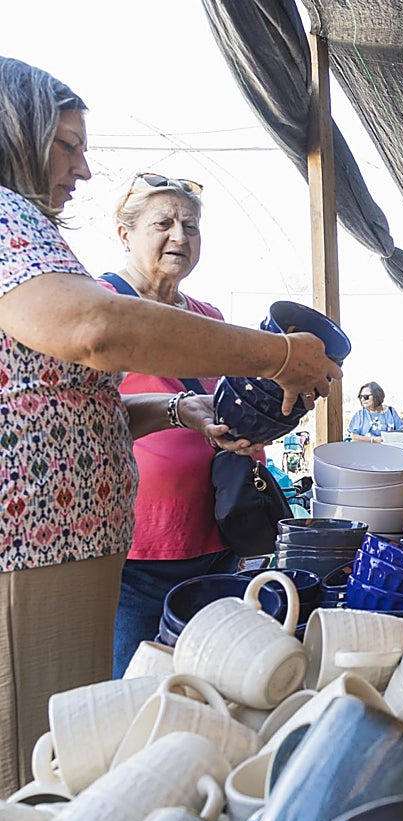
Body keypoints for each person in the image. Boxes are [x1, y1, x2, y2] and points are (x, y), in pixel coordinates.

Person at [0, 58, 339, 795]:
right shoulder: (13, 228)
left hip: (92, 543)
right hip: (39, 548)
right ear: (13, 134)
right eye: (65, 146)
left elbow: (65, 412)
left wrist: (189, 410)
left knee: (78, 748)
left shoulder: (34, 235)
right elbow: (94, 329)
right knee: (50, 760)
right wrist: (281, 354)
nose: (83, 169)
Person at [100, 172, 252, 678]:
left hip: (219, 539)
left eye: (191, 225)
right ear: (125, 234)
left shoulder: (208, 315)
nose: (180, 237)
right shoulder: (101, 303)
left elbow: (230, 403)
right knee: (134, 687)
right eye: (162, 223)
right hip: (140, 548)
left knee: (205, 683)